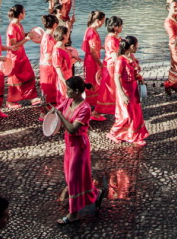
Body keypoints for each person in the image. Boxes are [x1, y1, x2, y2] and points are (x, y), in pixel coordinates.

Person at [54, 75, 104, 225]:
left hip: (79, 147)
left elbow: (71, 129)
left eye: (68, 89)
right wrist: (46, 107)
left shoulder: (85, 108)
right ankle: (96, 193)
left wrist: (59, 115)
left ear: (76, 91)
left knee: (74, 180)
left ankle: (73, 214)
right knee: (73, 177)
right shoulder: (69, 101)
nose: (66, 91)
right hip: (69, 146)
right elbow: (55, 113)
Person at [108, 35, 148, 146]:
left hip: (133, 90)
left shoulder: (132, 58)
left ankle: (135, 135)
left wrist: (140, 78)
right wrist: (122, 94)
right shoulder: (121, 60)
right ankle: (113, 133)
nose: (137, 47)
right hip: (125, 91)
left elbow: (134, 72)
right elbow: (116, 78)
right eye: (136, 45)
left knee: (136, 113)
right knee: (126, 115)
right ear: (131, 46)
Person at [4, 4, 39, 108]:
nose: (25, 13)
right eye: (24, 12)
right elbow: (13, 45)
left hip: (21, 54)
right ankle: (10, 101)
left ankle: (32, 97)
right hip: (14, 57)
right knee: (14, 79)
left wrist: (28, 35)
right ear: (20, 14)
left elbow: (20, 37)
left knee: (30, 74)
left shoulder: (19, 24)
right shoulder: (12, 28)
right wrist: (27, 38)